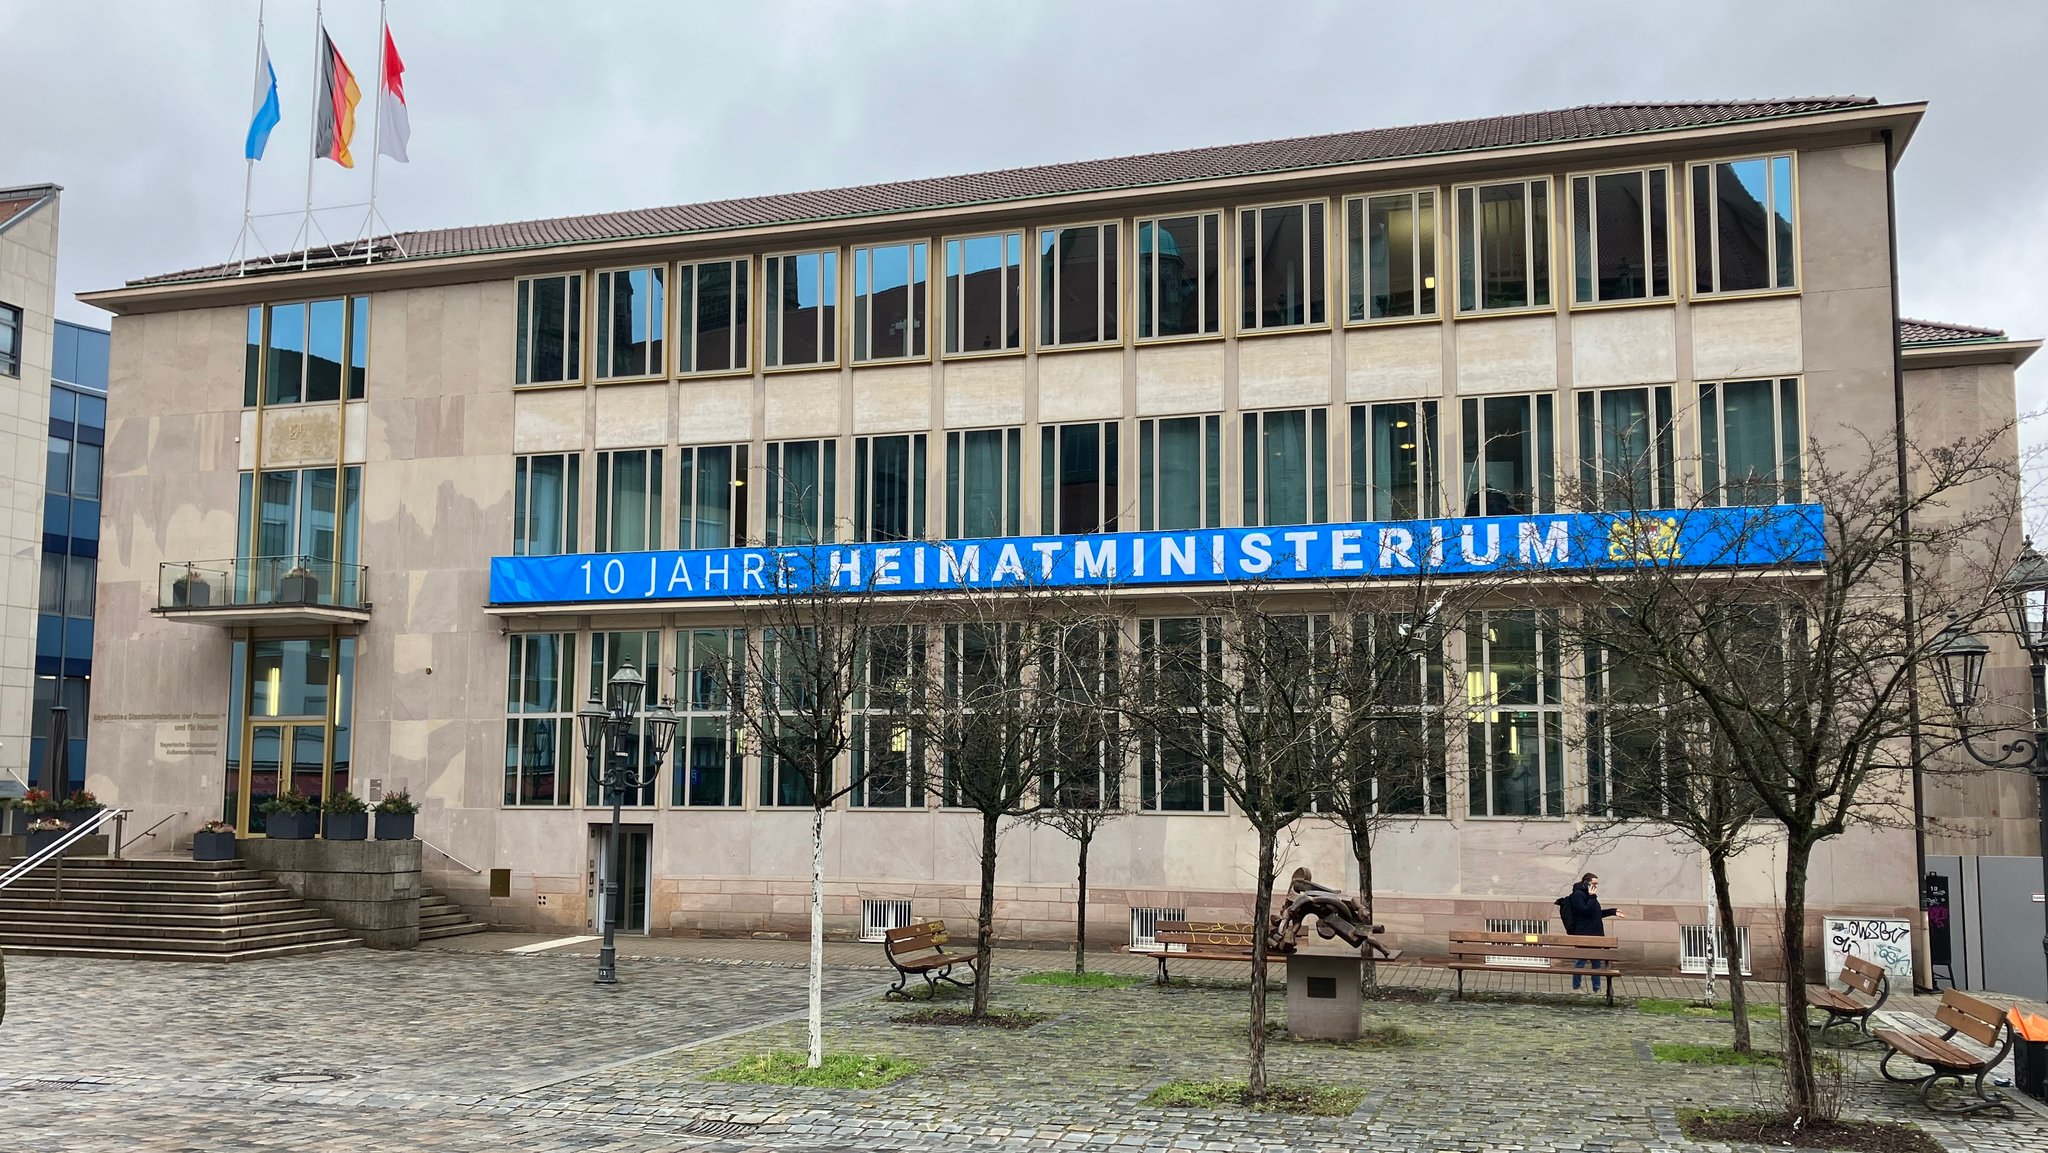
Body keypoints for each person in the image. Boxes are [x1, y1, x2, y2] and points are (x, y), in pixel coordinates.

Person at [1555, 873, 1624, 991]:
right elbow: (1584, 911)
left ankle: (1596, 987)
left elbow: (1595, 914)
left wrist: (1613, 911)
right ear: (1586, 883)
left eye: (1597, 883)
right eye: (1594, 883)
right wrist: (1592, 897)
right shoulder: (1578, 895)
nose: (1596, 886)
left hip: (1596, 933)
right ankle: (1576, 986)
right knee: (1581, 961)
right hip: (1584, 933)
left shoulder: (1590, 896)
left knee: (1596, 962)